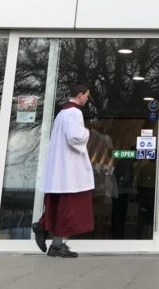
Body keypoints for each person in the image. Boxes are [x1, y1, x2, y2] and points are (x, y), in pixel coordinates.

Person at [32, 84, 95, 258]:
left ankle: (52, 238)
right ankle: (54, 241)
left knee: (59, 204)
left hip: (59, 167)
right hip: (69, 168)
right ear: (80, 94)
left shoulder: (62, 113)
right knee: (69, 208)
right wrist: (88, 133)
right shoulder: (75, 113)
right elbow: (75, 136)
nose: (87, 98)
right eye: (87, 95)